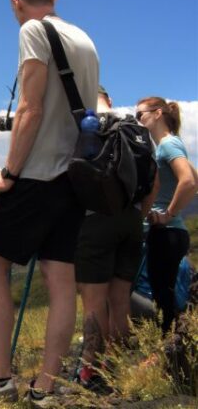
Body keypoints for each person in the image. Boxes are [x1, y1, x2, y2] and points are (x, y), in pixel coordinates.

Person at [0, 0, 99, 407]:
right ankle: (45, 387)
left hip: (37, 174)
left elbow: (30, 108)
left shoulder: (32, 32)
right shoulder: (85, 40)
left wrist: (7, 173)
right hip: (74, 177)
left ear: (16, 1)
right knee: (61, 279)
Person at [73, 85, 152, 390]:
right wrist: (138, 214)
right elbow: (152, 180)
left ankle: (90, 370)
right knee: (119, 301)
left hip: (95, 221)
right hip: (131, 220)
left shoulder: (86, 124)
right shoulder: (134, 127)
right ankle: (115, 364)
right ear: (110, 100)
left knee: (93, 303)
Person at [136, 96, 197, 333]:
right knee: (167, 295)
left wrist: (168, 214)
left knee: (165, 298)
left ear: (158, 113)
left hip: (166, 232)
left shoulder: (167, 145)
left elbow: (189, 182)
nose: (138, 121)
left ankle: (170, 353)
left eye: (140, 115)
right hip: (172, 232)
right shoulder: (170, 144)